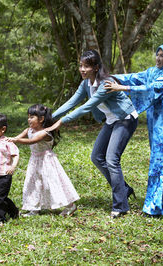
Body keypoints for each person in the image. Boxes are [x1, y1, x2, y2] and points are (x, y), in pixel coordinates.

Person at [104, 44, 163, 216]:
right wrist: (110, 77)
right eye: (157, 55)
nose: (159, 59)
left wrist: (121, 88)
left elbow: (151, 89)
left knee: (160, 160)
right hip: (155, 122)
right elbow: (134, 77)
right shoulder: (152, 71)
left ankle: (155, 205)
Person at [45, 50, 138, 218]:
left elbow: (87, 106)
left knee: (111, 159)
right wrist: (50, 118)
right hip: (111, 120)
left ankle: (121, 206)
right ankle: (123, 189)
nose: (82, 69)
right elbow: (72, 102)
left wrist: (62, 121)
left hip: (125, 119)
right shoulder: (86, 84)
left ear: (96, 67)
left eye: (86, 66)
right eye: (81, 66)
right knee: (96, 157)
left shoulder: (106, 83)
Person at [7, 104, 79, 217]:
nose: (29, 119)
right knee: (33, 183)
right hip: (35, 160)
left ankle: (70, 206)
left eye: (32, 117)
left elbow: (31, 141)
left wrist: (15, 140)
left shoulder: (44, 133)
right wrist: (11, 140)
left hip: (47, 161)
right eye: (28, 117)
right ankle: (34, 208)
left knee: (52, 183)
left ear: (41, 119)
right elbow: (19, 136)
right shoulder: (29, 130)